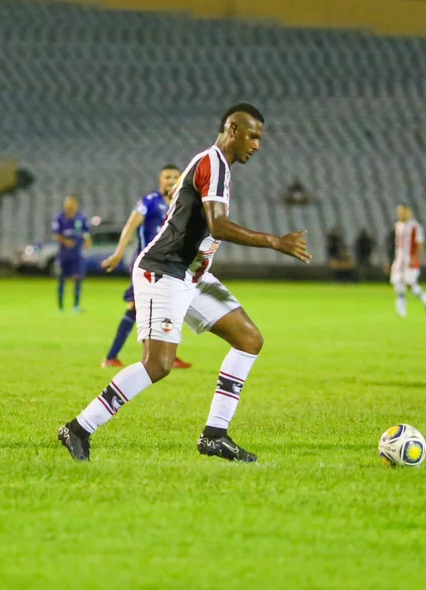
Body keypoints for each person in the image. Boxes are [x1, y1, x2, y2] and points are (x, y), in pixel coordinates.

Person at [57, 104, 311, 463]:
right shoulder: (213, 163)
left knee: (249, 339)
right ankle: (79, 427)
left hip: (192, 275)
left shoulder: (217, 165)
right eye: (253, 136)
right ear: (233, 129)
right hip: (163, 271)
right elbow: (218, 225)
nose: (257, 145)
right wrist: (275, 241)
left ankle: (215, 435)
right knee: (158, 364)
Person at [99, 165, 191, 370]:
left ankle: (166, 356)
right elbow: (131, 225)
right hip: (147, 265)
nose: (171, 180)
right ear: (160, 180)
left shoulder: (182, 204)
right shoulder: (149, 202)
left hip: (170, 266)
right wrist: (119, 253)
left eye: (176, 177)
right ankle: (112, 357)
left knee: (167, 308)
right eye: (167, 177)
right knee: (136, 307)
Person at [390, 205, 426, 317]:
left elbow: (420, 244)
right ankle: (401, 313)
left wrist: (415, 258)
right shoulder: (397, 226)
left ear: (409, 212)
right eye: (399, 212)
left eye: (403, 212)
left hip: (410, 261)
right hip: (399, 261)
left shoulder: (415, 226)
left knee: (410, 284)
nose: (400, 214)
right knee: (397, 285)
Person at [52, 195, 92, 312]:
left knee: (77, 278)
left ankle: (76, 305)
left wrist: (88, 240)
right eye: (68, 204)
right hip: (64, 254)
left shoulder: (81, 218)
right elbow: (56, 234)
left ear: (76, 205)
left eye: (72, 204)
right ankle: (60, 306)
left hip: (77, 254)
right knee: (61, 278)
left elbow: (86, 232)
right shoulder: (59, 218)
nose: (69, 206)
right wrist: (66, 241)